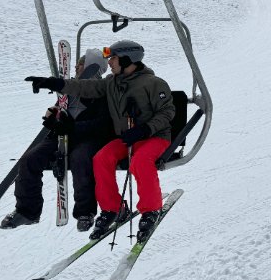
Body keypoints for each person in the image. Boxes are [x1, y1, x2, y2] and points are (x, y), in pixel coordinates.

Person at [25, 40, 176, 242]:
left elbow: (167, 112)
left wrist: (145, 129)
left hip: (154, 137)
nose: (109, 62)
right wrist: (55, 83)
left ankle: (151, 210)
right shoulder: (111, 83)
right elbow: (85, 87)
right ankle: (112, 208)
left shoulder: (154, 83)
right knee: (101, 158)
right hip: (127, 138)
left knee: (140, 162)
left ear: (126, 58)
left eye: (112, 57)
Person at [2, 50, 112, 231]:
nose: (76, 67)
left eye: (81, 64)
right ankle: (27, 211)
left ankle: (85, 212)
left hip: (88, 138)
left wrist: (73, 127)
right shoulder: (69, 89)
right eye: (76, 64)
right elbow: (62, 108)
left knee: (80, 160)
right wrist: (54, 117)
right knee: (30, 159)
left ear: (93, 67)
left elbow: (102, 124)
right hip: (63, 136)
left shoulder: (101, 90)